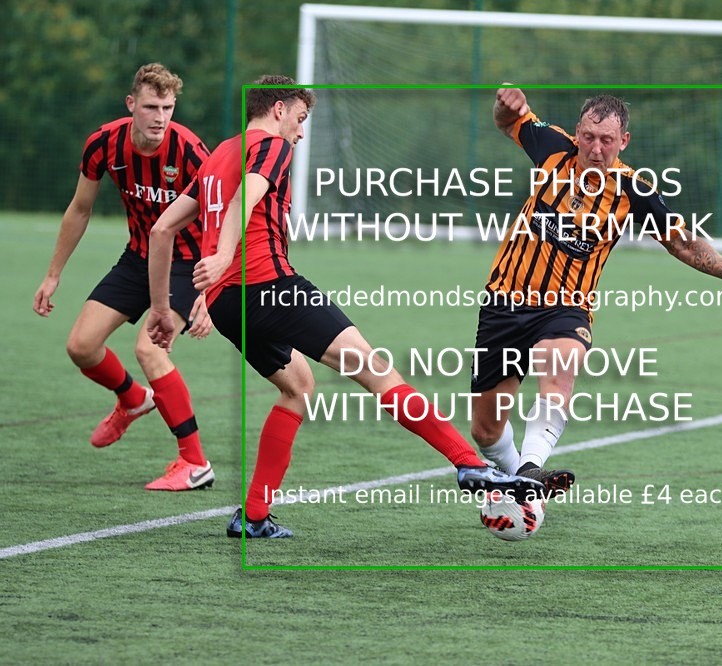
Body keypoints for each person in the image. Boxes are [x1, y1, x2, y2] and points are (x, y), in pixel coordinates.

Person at [147, 75, 543, 538]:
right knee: (378, 372)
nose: (300, 129)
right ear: (278, 109)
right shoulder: (271, 146)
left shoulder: (218, 155)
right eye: (300, 117)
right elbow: (246, 198)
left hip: (227, 305)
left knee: (297, 387)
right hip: (272, 289)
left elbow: (161, 230)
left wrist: (160, 309)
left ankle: (254, 517)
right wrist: (222, 255)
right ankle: (471, 464)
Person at [470, 86, 722, 494]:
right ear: (578, 133)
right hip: (504, 302)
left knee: (559, 367)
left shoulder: (633, 191)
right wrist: (505, 104)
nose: (597, 149)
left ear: (623, 141)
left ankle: (530, 468)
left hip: (565, 308)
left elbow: (681, 242)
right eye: (590, 138)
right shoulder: (551, 149)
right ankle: (518, 482)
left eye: (607, 141)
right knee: (486, 430)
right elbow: (508, 121)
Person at [32, 63, 215, 491]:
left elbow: (223, 219)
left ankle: (195, 462)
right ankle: (133, 400)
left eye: (168, 108)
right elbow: (80, 208)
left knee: (148, 349)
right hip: (138, 258)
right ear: (131, 104)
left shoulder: (189, 151)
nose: (160, 117)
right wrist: (53, 274)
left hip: (188, 263)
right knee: (81, 345)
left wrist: (208, 292)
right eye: (151, 106)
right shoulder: (104, 143)